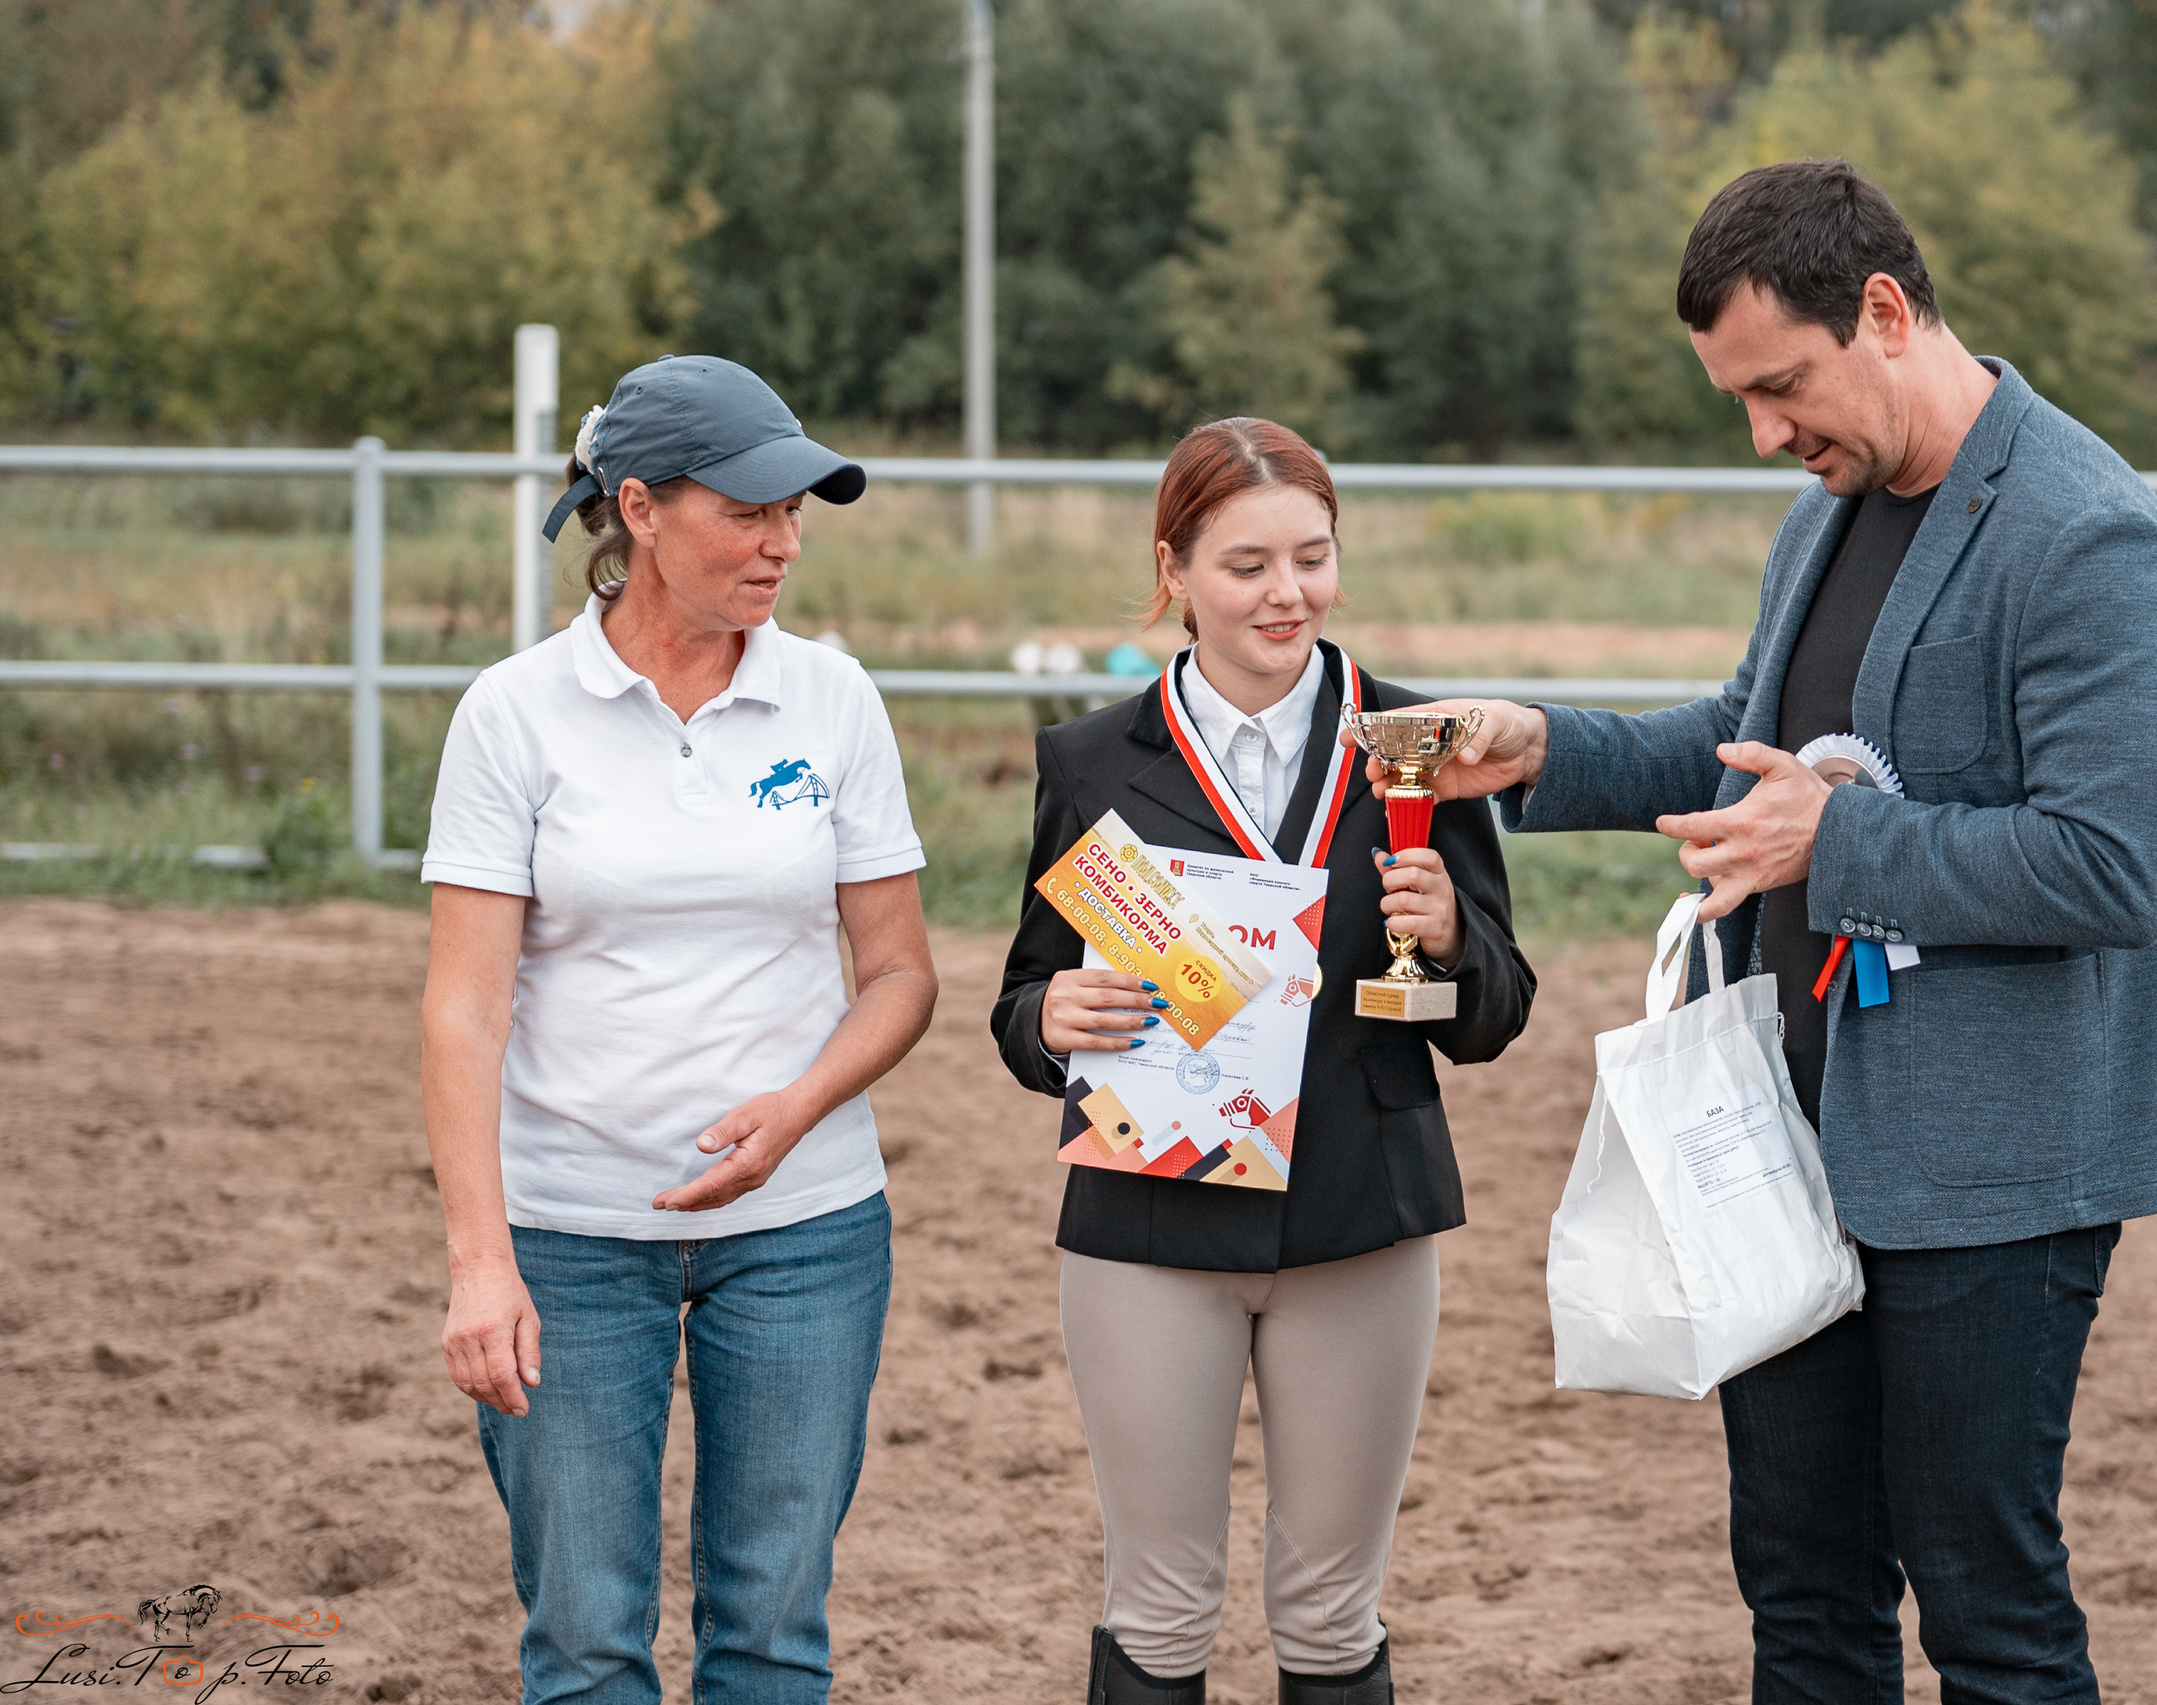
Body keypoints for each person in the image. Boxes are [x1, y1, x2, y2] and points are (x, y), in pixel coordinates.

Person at [1365, 161, 2157, 1702]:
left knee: (1986, 1604)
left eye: (1781, 386)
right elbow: (1753, 746)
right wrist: (1545, 744)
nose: (1765, 432)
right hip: (1790, 1136)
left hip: (1993, 1169)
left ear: (1884, 311)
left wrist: (1849, 838)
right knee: (1803, 1594)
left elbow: (2116, 867)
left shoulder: (2092, 534)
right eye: (1740, 399)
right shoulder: (1826, 514)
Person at [990, 418, 1536, 1705]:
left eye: (1313, 555)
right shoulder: (1087, 761)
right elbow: (1024, 999)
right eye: (1247, 564)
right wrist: (1049, 1019)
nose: (1287, 593)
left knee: (1332, 1615)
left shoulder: (1423, 742)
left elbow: (1494, 1012)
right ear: (1173, 567)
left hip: (1362, 1221)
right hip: (1146, 1226)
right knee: (1160, 1609)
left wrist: (1453, 940)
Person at [419, 354, 939, 1704]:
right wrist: (483, 1263)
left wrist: (799, 1106)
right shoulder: (515, 714)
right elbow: (463, 1008)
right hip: (572, 1239)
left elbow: (898, 977)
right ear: (637, 509)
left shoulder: (835, 700)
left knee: (772, 1630)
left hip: (809, 1232)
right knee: (586, 1638)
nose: (783, 542)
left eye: (797, 513)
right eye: (750, 510)